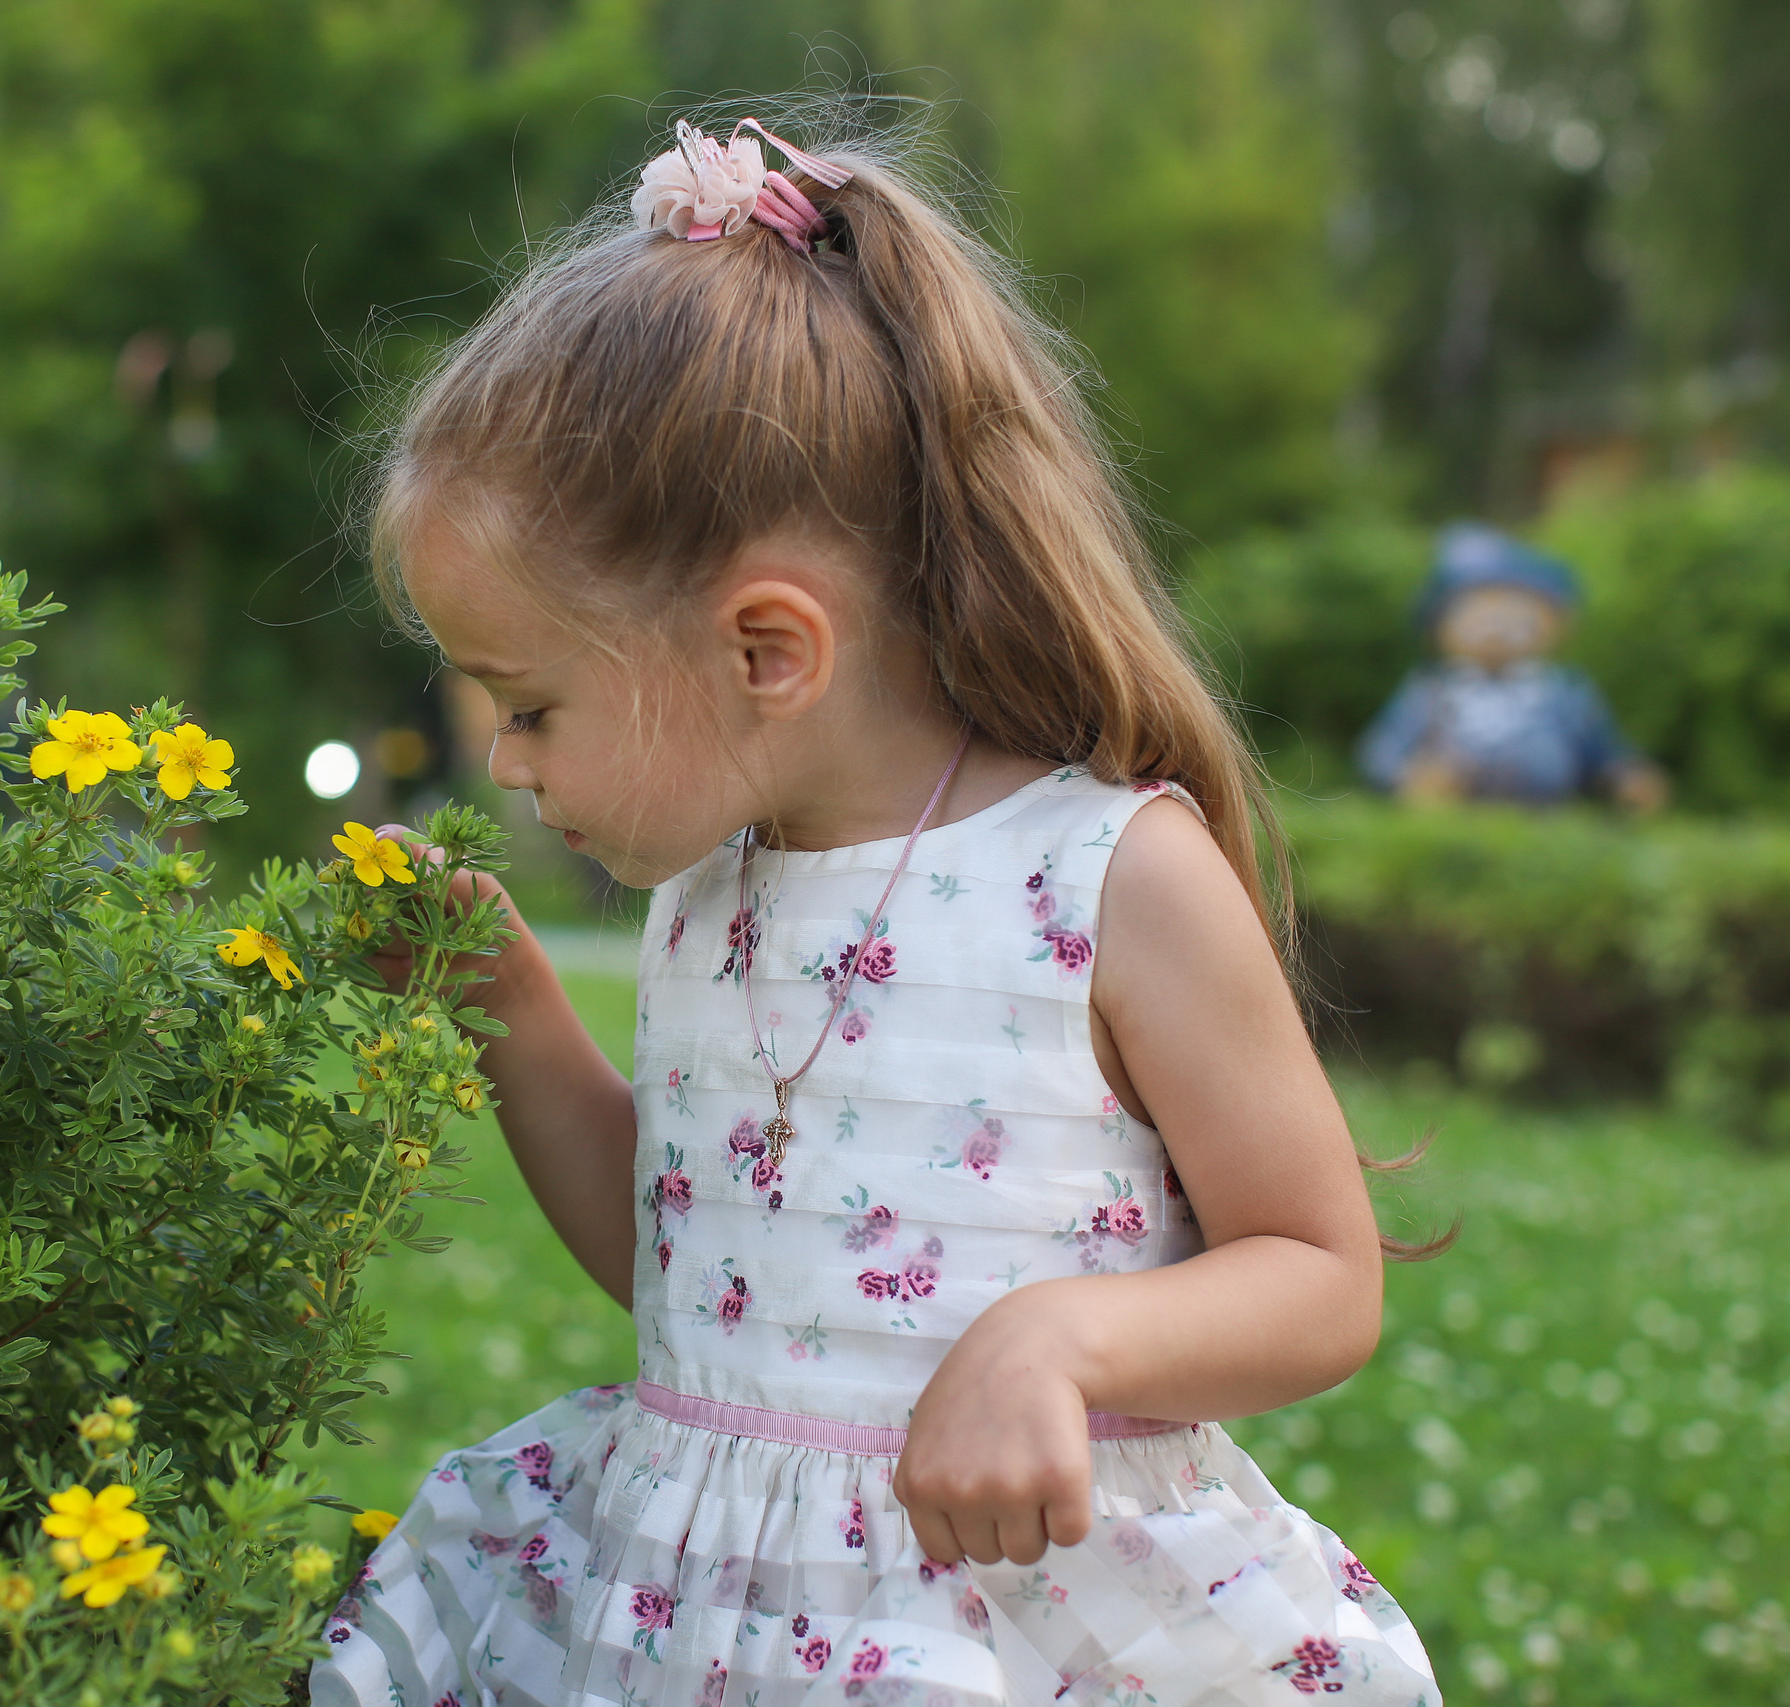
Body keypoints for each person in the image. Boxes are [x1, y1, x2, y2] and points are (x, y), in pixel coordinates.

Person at [314, 110, 1442, 1707]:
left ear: (767, 651)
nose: (504, 757)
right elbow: (688, 1274)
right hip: (702, 1612)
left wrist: (1059, 1341)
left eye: (532, 702)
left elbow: (1320, 1268)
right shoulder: (711, 888)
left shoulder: (1109, 875)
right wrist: (510, 1006)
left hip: (1012, 1625)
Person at [1356, 523, 1666, 810]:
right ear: (1439, 626)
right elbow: (1382, 750)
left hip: (1546, 823)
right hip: (1449, 815)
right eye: (1479, 615)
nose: (1497, 630)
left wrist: (1624, 777)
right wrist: (1407, 777)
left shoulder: (1564, 692)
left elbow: (1601, 749)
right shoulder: (1429, 690)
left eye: (1517, 616)